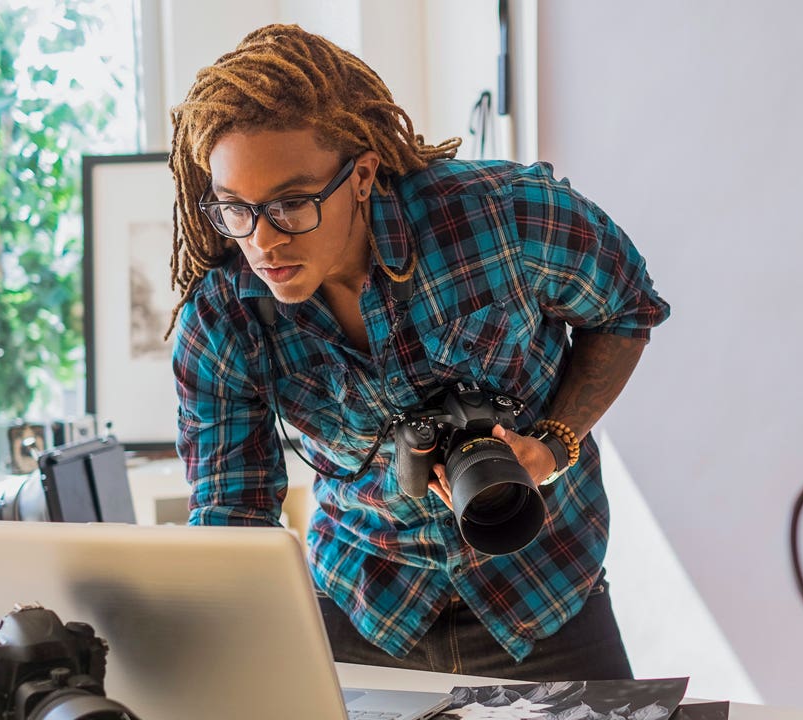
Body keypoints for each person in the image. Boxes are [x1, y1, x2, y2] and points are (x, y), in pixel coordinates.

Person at [167, 24, 670, 681]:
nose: (262, 240)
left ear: (362, 174)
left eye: (291, 204)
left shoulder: (504, 217)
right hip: (363, 607)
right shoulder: (223, 317)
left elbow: (627, 308)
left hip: (544, 590)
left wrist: (552, 442)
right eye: (235, 208)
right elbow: (233, 520)